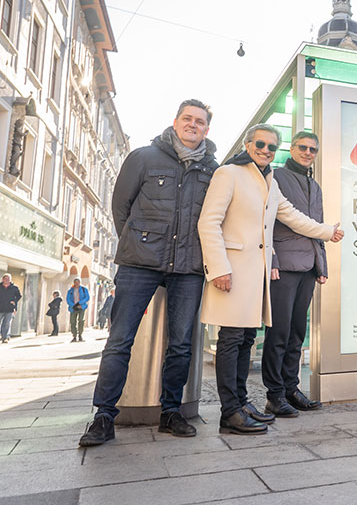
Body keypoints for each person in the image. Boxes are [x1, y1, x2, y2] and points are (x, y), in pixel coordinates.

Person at [80, 99, 219, 448]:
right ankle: (103, 416)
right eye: (187, 118)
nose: (193, 125)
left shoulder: (212, 170)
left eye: (200, 122)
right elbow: (120, 206)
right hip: (139, 264)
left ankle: (171, 411)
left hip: (188, 268)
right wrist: (140, 243)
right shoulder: (143, 157)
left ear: (206, 129)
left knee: (182, 344)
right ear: (175, 121)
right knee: (119, 339)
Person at [198, 124, 343, 435]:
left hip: (255, 274)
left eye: (270, 146)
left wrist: (328, 232)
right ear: (248, 144)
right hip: (233, 270)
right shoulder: (228, 174)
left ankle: (241, 403)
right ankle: (230, 411)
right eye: (260, 144)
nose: (265, 150)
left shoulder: (268, 181)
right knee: (232, 339)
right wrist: (218, 267)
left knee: (247, 339)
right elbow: (208, 222)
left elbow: (292, 216)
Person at [263, 131, 330, 418]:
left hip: (307, 269)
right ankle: (274, 395)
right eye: (302, 147)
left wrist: (322, 266)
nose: (307, 152)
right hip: (284, 266)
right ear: (291, 149)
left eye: (312, 149)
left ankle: (291, 388)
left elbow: (318, 228)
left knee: (297, 334)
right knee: (278, 332)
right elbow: (265, 221)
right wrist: (272, 258)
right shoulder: (275, 177)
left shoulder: (315, 185)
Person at [0, 273, 21, 343]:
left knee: (6, 324)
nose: (6, 280)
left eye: (8, 279)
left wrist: (14, 301)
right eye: (5, 279)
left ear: (10, 280)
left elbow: (19, 296)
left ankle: (4, 337)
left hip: (9, 308)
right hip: (0, 307)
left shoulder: (14, 288)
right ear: (2, 279)